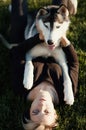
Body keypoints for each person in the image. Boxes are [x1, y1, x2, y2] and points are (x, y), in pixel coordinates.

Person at [10, 0, 79, 130]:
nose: (41, 106)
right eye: (46, 112)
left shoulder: (20, 88)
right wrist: (65, 41)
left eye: (35, 112)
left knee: (18, 20)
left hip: (29, 41)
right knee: (60, 6)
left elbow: (17, 53)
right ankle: (67, 8)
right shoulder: (67, 95)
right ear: (55, 114)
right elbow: (73, 63)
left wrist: (38, 38)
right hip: (56, 43)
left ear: (29, 110)